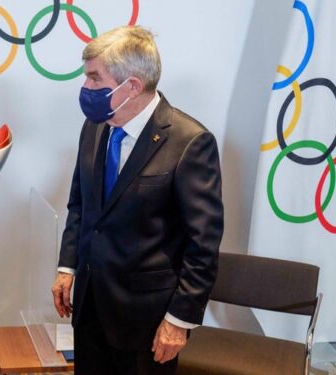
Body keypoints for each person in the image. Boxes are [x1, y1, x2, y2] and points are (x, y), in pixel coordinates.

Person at [51, 26, 224, 374]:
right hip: (89, 308)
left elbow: (202, 245)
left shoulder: (191, 143)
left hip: (147, 320)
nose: (86, 88)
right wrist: (67, 266)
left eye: (94, 79)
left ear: (131, 86)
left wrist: (179, 320)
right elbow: (80, 204)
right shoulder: (96, 125)